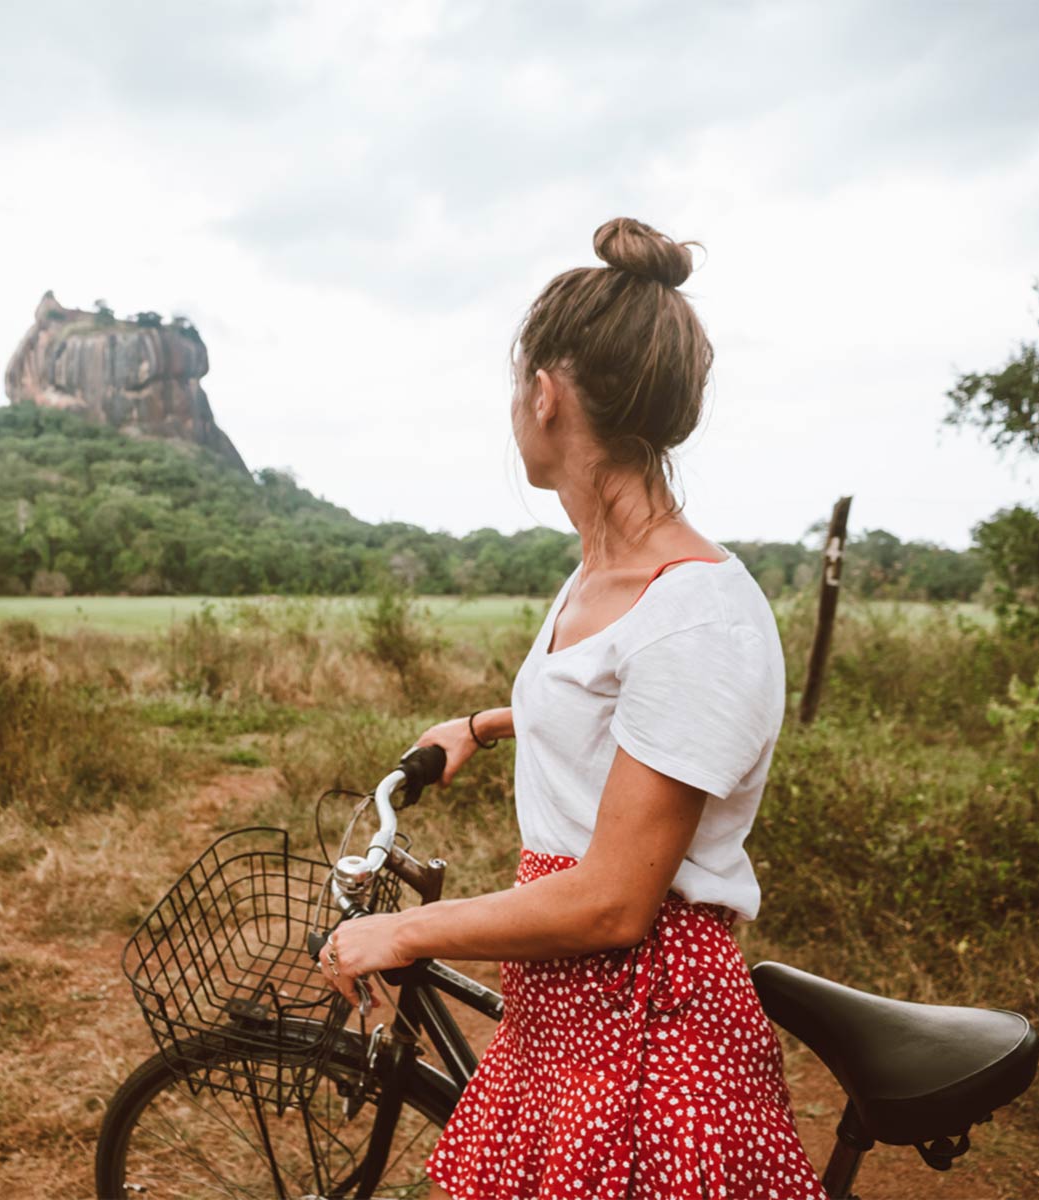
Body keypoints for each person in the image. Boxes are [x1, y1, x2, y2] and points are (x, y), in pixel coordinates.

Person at [316, 217, 829, 1199]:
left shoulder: (696, 613)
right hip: (563, 1011)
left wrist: (408, 931)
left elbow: (612, 902)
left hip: (646, 1034)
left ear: (546, 396)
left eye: (517, 387)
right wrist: (478, 727)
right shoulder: (600, 573)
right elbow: (614, 712)